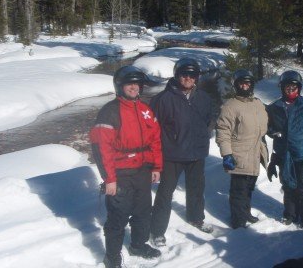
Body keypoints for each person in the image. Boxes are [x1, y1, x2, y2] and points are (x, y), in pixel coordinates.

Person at [90, 66, 162, 268]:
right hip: (120, 173)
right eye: (129, 84)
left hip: (143, 169)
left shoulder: (145, 110)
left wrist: (156, 166)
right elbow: (101, 148)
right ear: (120, 86)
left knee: (142, 211)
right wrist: (109, 179)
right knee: (118, 217)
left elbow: (155, 140)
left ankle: (138, 245)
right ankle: (112, 258)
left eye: (137, 84)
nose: (133, 87)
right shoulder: (110, 111)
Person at [149, 57, 213, 247]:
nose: (188, 78)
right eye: (184, 74)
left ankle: (196, 218)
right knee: (164, 194)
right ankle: (157, 231)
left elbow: (209, 120)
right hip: (172, 155)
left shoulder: (204, 98)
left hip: (197, 153)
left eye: (192, 75)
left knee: (196, 189)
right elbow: (152, 130)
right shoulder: (162, 99)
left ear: (197, 77)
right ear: (177, 75)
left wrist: (203, 136)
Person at [266, 70, 303, 229]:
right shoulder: (274, 107)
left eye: (294, 87)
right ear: (282, 88)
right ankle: (290, 214)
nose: (290, 90)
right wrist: (271, 132)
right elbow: (267, 126)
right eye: (287, 87)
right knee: (288, 185)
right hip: (284, 154)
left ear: (299, 88)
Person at [215, 69, 269, 229]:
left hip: (255, 153)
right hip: (239, 155)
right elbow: (223, 131)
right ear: (236, 85)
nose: (245, 86)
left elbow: (262, 124)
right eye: (241, 83)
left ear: (251, 85)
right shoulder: (230, 106)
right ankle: (238, 222)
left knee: (249, 188)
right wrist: (227, 154)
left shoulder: (258, 103)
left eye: (247, 83)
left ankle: (245, 213)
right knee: (239, 191)